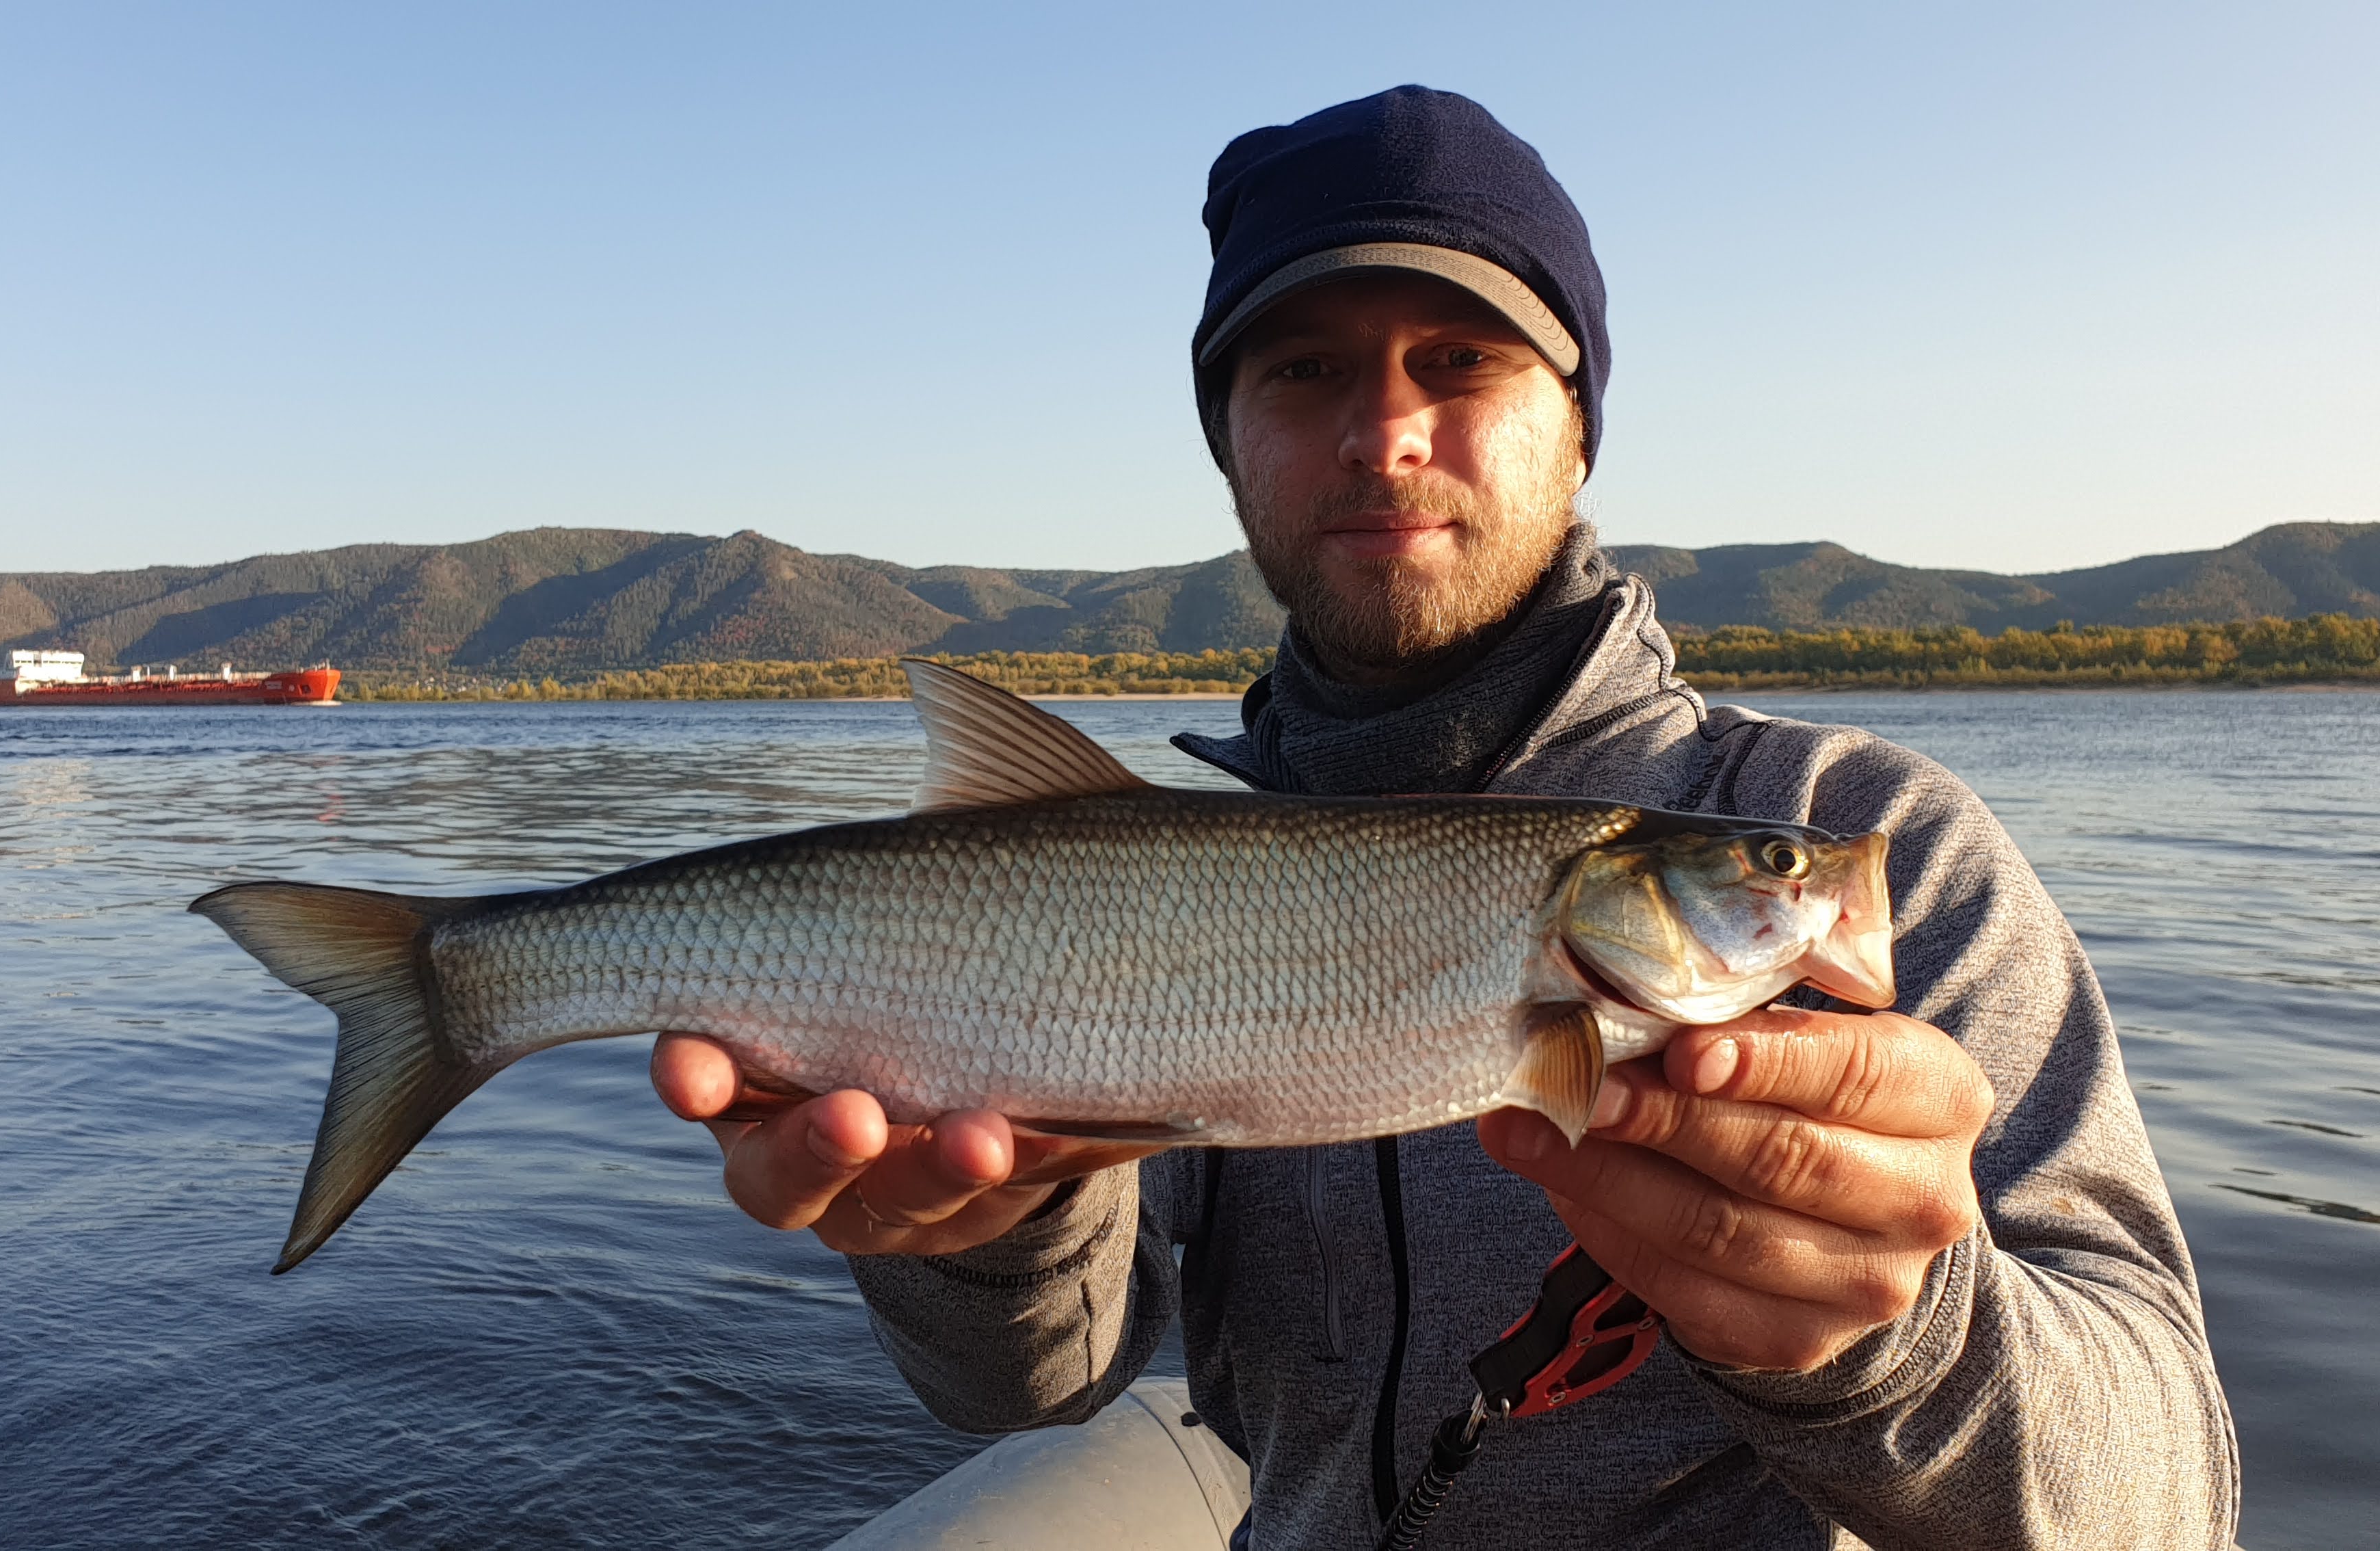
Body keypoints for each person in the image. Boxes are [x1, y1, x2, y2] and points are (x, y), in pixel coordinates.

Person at [652, 86, 2239, 1549]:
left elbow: (2169, 1494)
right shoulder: (1170, 830)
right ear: (1231, 444)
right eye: (1305, 369)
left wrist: (1900, 1326)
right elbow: (1029, 1391)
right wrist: (978, 1231)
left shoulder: (1861, 826)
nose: (1384, 432)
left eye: (1459, 360)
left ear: (1579, 423)